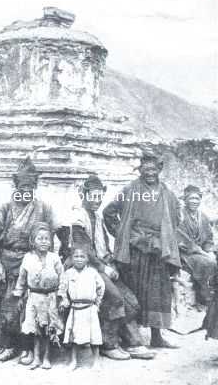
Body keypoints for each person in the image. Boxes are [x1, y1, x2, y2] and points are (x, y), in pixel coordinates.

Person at [68, 175, 154, 360]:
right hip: (83, 267)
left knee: (130, 298)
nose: (96, 201)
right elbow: (82, 249)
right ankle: (109, 343)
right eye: (93, 196)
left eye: (99, 197)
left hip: (100, 264)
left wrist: (111, 262)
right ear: (84, 195)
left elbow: (104, 245)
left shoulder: (97, 217)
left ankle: (133, 343)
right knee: (114, 297)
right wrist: (103, 268)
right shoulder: (78, 218)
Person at [103, 151, 181, 348]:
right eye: (146, 169)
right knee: (136, 292)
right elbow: (109, 212)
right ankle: (132, 338)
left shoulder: (167, 193)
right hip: (135, 252)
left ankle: (157, 337)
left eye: (153, 169)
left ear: (159, 170)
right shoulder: (131, 189)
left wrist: (165, 237)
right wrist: (124, 236)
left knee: (158, 294)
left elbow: (176, 217)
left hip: (159, 251)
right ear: (140, 171)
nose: (150, 173)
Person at [0, 157, 58, 364]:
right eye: (22, 186)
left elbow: (52, 236)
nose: (26, 190)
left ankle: (28, 349)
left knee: (33, 307)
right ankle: (10, 345)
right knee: (9, 305)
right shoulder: (5, 208)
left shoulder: (44, 208)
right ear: (16, 186)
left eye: (30, 187)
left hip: (33, 262)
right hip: (9, 260)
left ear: (35, 187)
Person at [13, 222, 64, 370]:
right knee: (35, 329)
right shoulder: (28, 258)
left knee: (49, 329)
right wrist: (19, 296)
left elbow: (62, 278)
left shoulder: (54, 258)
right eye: (40, 238)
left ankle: (47, 357)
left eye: (47, 239)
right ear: (33, 241)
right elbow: (21, 279)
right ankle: (36, 357)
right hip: (34, 298)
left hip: (51, 298)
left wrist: (61, 296)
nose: (44, 242)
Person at [58, 239, 105, 370]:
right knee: (74, 336)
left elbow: (101, 287)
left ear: (87, 259)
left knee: (94, 336)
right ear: (71, 258)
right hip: (75, 309)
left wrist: (97, 303)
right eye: (76, 256)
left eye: (82, 256)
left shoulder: (92, 273)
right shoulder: (68, 273)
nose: (79, 259)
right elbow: (62, 289)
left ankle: (96, 360)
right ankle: (73, 361)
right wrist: (65, 299)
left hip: (90, 309)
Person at [177, 185, 217, 306]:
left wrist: (210, 250)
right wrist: (203, 253)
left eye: (197, 198)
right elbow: (182, 240)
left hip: (200, 252)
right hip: (185, 253)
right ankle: (206, 298)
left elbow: (208, 239)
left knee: (213, 259)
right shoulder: (179, 216)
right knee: (209, 264)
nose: (194, 201)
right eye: (191, 198)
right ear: (185, 200)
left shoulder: (203, 217)